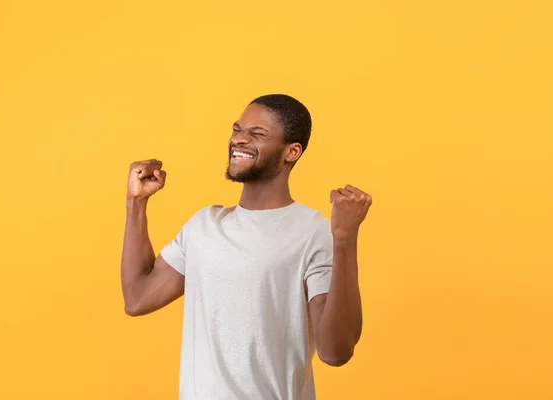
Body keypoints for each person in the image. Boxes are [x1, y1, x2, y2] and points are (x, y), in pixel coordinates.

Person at [121, 94, 372, 400]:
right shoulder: (204, 226)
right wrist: (136, 202)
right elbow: (138, 298)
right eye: (237, 129)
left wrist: (345, 240)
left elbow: (336, 351)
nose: (239, 139)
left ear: (291, 152)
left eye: (257, 134)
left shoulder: (313, 232)